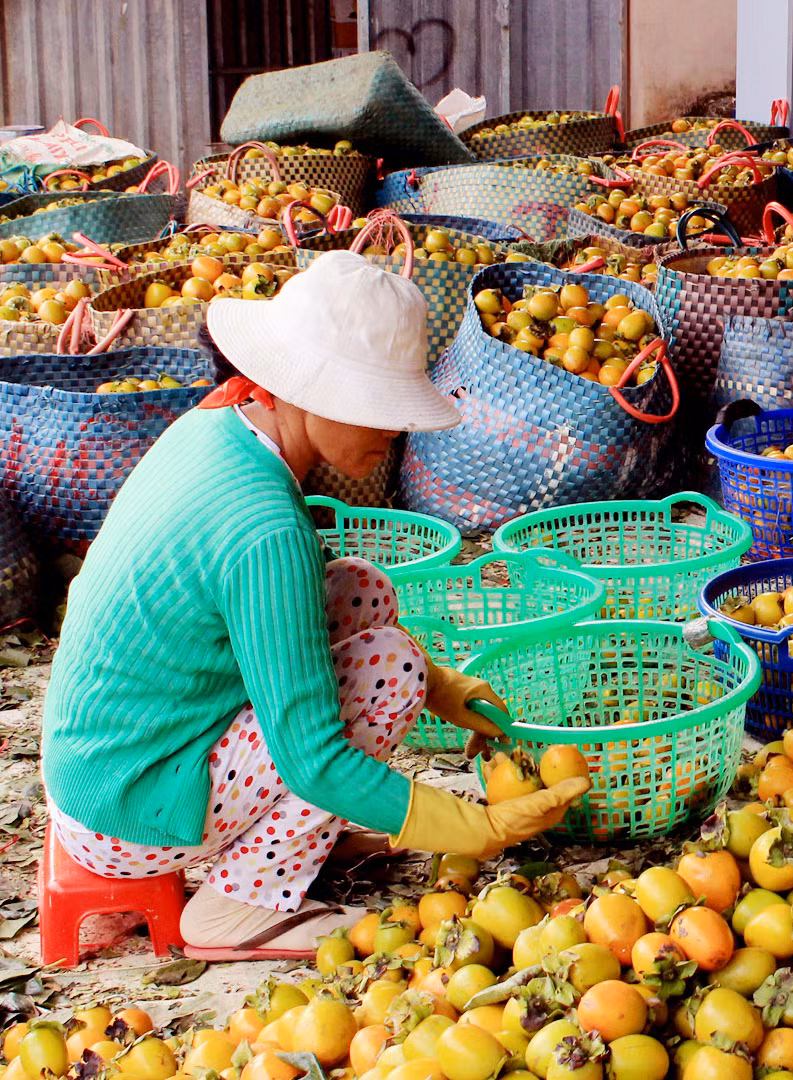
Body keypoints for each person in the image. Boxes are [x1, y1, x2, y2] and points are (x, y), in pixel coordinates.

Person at [39, 252, 587, 961]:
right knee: (389, 670)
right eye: (383, 410)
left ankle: (298, 836)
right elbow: (312, 759)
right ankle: (238, 907)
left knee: (361, 587)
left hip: (108, 758)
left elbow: (287, 618)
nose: (397, 433)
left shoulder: (222, 426)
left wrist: (442, 686)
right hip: (128, 810)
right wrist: (474, 828)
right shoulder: (264, 526)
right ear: (315, 392)